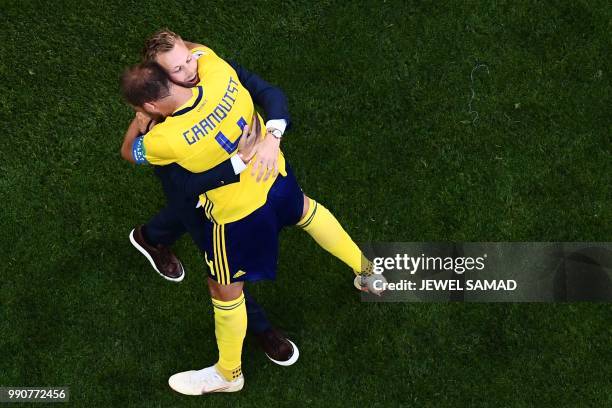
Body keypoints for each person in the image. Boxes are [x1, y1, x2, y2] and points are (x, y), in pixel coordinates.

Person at [120, 43, 385, 395]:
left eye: (186, 62)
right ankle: (367, 273)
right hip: (275, 175)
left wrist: (140, 122)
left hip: (239, 217)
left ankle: (229, 374)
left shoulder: (164, 139)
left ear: (152, 104)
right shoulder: (216, 70)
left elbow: (130, 152)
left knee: (223, 288)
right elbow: (200, 51)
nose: (188, 67)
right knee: (307, 210)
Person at [122, 30, 299, 366]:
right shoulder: (160, 129)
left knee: (186, 212)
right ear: (160, 79)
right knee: (222, 266)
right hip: (181, 176)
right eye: (179, 69)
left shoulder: (201, 65)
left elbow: (192, 52)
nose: (190, 69)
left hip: (204, 166)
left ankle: (150, 238)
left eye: (188, 58)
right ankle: (263, 330)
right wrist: (140, 120)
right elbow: (130, 152)